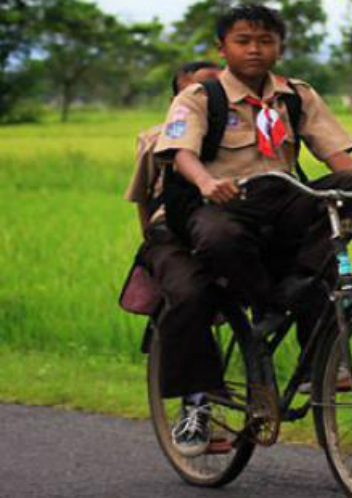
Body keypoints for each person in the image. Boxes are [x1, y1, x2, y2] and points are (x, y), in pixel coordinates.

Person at [152, 4, 352, 456]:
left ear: (280, 47)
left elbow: (337, 157)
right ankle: (267, 304)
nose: (256, 49)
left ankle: (299, 287)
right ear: (223, 48)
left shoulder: (295, 95)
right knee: (218, 240)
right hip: (224, 203)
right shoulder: (200, 97)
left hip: (284, 199)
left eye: (266, 41)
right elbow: (181, 153)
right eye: (243, 41)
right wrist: (208, 182)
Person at [124, 61, 226, 457]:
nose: (206, 99)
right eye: (193, 92)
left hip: (230, 230)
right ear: (176, 100)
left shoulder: (244, 132)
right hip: (176, 235)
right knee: (189, 298)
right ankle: (195, 404)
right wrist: (154, 246)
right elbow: (146, 203)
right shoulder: (156, 139)